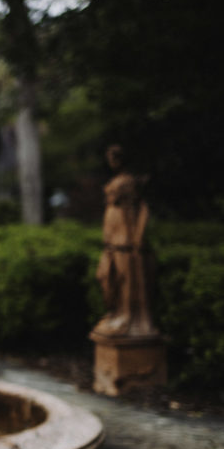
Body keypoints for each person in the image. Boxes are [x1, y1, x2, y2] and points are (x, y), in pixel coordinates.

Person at [93, 144, 156, 337]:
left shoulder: (128, 182)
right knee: (107, 277)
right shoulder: (118, 181)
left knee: (125, 280)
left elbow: (141, 210)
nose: (111, 160)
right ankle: (116, 313)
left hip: (125, 240)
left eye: (114, 157)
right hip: (112, 241)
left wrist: (137, 237)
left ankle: (126, 316)